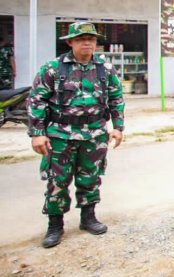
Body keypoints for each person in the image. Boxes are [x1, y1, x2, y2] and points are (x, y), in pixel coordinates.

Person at [27, 22, 125, 248]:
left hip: (95, 134)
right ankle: (55, 225)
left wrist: (118, 127)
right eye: (81, 39)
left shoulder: (105, 69)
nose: (88, 43)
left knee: (90, 178)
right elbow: (36, 100)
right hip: (61, 135)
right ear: (70, 42)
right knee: (58, 181)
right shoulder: (53, 68)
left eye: (91, 39)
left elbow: (116, 98)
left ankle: (88, 218)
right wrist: (37, 133)